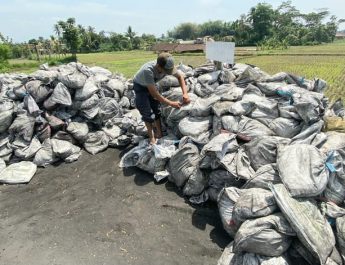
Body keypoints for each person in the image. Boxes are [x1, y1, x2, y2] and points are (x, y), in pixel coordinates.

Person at [133, 52, 191, 144]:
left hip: (153, 84)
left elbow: (180, 77)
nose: (168, 73)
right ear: (159, 66)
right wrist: (171, 103)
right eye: (166, 72)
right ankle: (151, 137)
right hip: (141, 87)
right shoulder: (147, 71)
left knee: (156, 109)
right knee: (147, 112)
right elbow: (155, 94)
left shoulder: (168, 65)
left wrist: (185, 94)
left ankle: (159, 133)